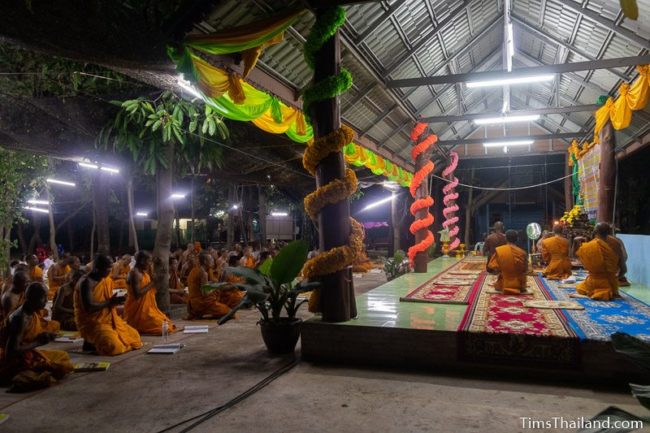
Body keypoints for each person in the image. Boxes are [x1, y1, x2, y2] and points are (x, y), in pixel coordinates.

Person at [0, 282, 73, 392]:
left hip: (28, 353)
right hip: (15, 360)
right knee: (59, 368)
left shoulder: (31, 312)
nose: (45, 300)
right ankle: (20, 377)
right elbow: (11, 351)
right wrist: (38, 342)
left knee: (63, 356)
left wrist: (43, 336)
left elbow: (28, 337)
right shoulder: (21, 318)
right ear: (32, 299)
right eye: (43, 298)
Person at [74, 255, 142, 355]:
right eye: (108, 268)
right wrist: (110, 302)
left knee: (135, 337)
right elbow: (89, 307)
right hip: (94, 323)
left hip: (109, 319)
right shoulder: (87, 282)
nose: (110, 270)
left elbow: (108, 299)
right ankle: (91, 342)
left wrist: (117, 300)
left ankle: (96, 342)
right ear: (97, 268)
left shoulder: (106, 280)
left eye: (111, 267)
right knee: (113, 346)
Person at [125, 251, 174, 335]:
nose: (149, 264)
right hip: (138, 312)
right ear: (142, 261)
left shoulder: (143, 272)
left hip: (147, 309)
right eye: (149, 261)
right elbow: (137, 294)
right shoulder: (135, 274)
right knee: (164, 328)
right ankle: (136, 326)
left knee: (167, 324)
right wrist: (153, 282)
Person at [574, 222, 619, 301]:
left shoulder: (590, 246)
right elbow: (623, 265)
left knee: (580, 288)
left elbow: (584, 265)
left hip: (593, 282)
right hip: (610, 283)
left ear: (595, 231)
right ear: (609, 232)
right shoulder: (616, 243)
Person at [186, 253, 239, 320]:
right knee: (230, 313)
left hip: (193, 303)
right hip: (202, 303)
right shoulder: (203, 273)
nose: (213, 261)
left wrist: (212, 285)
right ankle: (209, 311)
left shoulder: (195, 270)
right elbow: (205, 293)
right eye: (210, 259)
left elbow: (201, 287)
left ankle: (200, 312)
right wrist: (215, 287)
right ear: (205, 261)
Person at [487, 230, 528, 295]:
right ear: (517, 239)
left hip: (503, 284)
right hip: (519, 285)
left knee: (499, 283)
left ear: (505, 238)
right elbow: (525, 269)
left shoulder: (500, 250)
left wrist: (503, 269)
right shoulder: (522, 252)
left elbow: (494, 267)